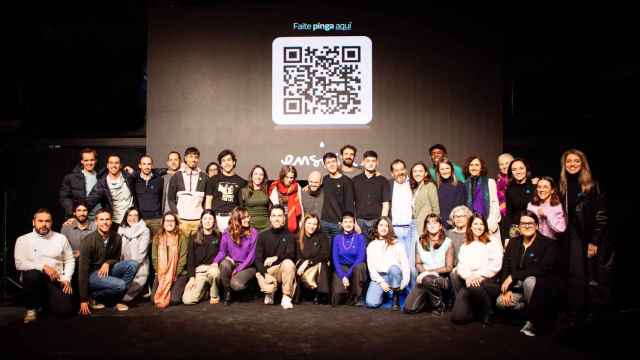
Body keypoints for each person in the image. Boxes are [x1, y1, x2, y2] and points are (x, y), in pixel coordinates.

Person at [559, 149, 613, 324]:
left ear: (583, 164)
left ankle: (594, 316)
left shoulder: (592, 185)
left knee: (593, 276)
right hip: (572, 236)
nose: (572, 164)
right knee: (576, 274)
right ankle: (576, 313)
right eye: (569, 161)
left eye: (576, 161)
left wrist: (594, 241)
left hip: (589, 236)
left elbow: (601, 215)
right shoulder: (564, 186)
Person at [496, 211, 560, 336]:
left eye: (530, 223)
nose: (526, 226)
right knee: (500, 302)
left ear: (536, 226)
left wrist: (514, 276)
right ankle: (529, 311)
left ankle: (535, 321)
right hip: (518, 289)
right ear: (519, 227)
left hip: (538, 289)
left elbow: (542, 269)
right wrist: (507, 290)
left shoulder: (548, 244)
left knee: (529, 281)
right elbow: (506, 267)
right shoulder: (513, 243)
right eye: (523, 223)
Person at [15, 209, 74, 323]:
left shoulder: (61, 238)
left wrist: (67, 278)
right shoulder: (23, 240)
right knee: (31, 274)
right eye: (40, 221)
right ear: (34, 222)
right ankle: (31, 309)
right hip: (35, 279)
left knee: (64, 311)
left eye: (47, 221)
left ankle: (44, 303)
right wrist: (43, 267)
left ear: (51, 223)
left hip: (56, 279)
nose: (44, 224)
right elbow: (19, 264)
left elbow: (70, 259)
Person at [78, 209, 139, 315]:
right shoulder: (87, 241)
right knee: (121, 285)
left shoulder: (117, 237)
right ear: (96, 222)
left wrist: (107, 263)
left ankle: (116, 300)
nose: (105, 222)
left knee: (133, 264)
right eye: (101, 219)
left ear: (111, 221)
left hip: (108, 270)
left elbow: (116, 258)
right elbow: (83, 271)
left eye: (107, 219)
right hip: (93, 275)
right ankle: (93, 296)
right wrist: (83, 299)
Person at [450, 214, 503, 327]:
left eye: (481, 224)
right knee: (457, 318)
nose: (478, 227)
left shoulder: (492, 241)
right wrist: (468, 277)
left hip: (489, 283)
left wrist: (479, 276)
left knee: (474, 285)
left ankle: (488, 311)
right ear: (470, 226)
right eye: (475, 224)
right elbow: (462, 266)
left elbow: (496, 265)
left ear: (485, 226)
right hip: (470, 283)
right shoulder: (465, 246)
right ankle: (477, 310)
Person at [404, 214, 454, 315]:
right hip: (424, 278)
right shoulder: (420, 241)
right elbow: (418, 263)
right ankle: (429, 299)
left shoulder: (448, 242)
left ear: (440, 226)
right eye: (429, 223)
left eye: (435, 222)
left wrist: (427, 273)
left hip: (441, 279)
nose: (432, 225)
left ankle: (439, 307)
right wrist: (425, 273)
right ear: (426, 226)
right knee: (409, 309)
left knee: (428, 279)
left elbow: (449, 267)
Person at [255, 205, 298, 309]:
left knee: (288, 263)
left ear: (284, 218)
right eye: (274, 216)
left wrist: (276, 257)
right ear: (270, 218)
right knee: (269, 288)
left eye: (280, 215)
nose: (277, 218)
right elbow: (258, 259)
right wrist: (265, 274)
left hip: (281, 269)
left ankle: (286, 297)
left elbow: (290, 254)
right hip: (267, 271)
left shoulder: (289, 235)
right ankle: (270, 293)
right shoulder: (262, 235)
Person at [214, 207, 258, 306]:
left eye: (248, 216)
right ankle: (227, 292)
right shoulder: (227, 232)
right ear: (236, 219)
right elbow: (222, 251)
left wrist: (238, 270)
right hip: (232, 263)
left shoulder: (253, 232)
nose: (248, 219)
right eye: (244, 218)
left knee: (236, 284)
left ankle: (250, 288)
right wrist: (215, 262)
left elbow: (251, 257)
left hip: (247, 266)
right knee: (224, 264)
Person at [365, 217, 410, 310]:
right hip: (379, 277)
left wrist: (404, 281)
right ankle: (384, 294)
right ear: (377, 227)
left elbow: (405, 264)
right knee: (371, 303)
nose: (383, 228)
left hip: (394, 276)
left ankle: (395, 297)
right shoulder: (371, 245)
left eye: (386, 225)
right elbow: (371, 268)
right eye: (381, 225)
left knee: (394, 268)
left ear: (389, 228)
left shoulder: (397, 244)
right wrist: (381, 283)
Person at [409, 161, 439, 285]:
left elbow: (435, 208)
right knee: (412, 259)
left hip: (424, 226)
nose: (417, 173)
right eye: (415, 171)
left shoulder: (430, 186)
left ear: (426, 173)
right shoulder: (414, 188)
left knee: (421, 259)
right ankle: (413, 290)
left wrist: (433, 228)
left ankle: (422, 289)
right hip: (413, 225)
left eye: (420, 171)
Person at [182, 209, 221, 305]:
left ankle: (214, 294)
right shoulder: (194, 238)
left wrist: (216, 264)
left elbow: (222, 253)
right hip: (199, 272)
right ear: (201, 221)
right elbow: (190, 260)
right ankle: (205, 290)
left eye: (210, 219)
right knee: (187, 300)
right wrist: (191, 278)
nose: (207, 221)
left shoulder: (219, 236)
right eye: (205, 219)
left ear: (214, 221)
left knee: (214, 273)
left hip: (213, 269)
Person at [151, 212, 189, 308]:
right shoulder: (157, 238)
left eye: (172, 221)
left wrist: (173, 275)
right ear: (163, 223)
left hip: (178, 273)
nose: (169, 223)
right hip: (161, 273)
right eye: (167, 221)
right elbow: (154, 258)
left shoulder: (182, 238)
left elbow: (183, 260)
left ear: (176, 223)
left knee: (174, 300)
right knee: (153, 299)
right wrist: (161, 273)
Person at [86, 154, 136, 226]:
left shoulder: (129, 177)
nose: (114, 165)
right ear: (107, 165)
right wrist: (75, 216)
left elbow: (145, 177)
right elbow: (90, 201)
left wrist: (133, 173)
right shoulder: (102, 183)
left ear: (120, 165)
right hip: (114, 222)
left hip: (131, 220)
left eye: (116, 163)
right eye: (111, 163)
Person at [167, 147, 208, 237]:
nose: (193, 159)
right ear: (185, 158)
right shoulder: (176, 176)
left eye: (196, 157)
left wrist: (204, 217)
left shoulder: (204, 177)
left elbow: (207, 200)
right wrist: (176, 215)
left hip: (198, 221)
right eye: (190, 156)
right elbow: (170, 199)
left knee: (197, 249)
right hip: (182, 221)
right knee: (183, 249)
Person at [205, 149, 248, 232]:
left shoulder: (242, 182)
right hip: (216, 219)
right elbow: (208, 201)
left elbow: (242, 205)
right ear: (220, 164)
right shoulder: (213, 180)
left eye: (229, 160)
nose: (226, 163)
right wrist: (209, 218)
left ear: (234, 162)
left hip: (232, 219)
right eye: (223, 161)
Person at [331, 212, 367, 306]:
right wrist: (343, 276)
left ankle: (358, 297)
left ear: (354, 224)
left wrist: (347, 275)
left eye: (350, 222)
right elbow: (335, 259)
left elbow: (360, 258)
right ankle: (348, 293)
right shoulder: (337, 238)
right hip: (342, 268)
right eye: (345, 221)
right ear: (341, 224)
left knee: (360, 266)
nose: (348, 224)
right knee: (337, 300)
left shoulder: (360, 238)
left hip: (355, 268)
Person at [352, 150, 390, 240]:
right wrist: (354, 223)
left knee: (377, 250)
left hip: (376, 220)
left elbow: (385, 205)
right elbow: (351, 204)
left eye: (373, 161)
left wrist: (381, 223)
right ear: (363, 162)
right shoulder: (355, 180)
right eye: (368, 161)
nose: (370, 163)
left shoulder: (383, 181)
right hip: (360, 221)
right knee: (361, 251)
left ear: (377, 163)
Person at [463, 156, 501, 244]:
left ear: (481, 167)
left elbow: (494, 203)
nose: (474, 167)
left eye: (477, 165)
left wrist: (492, 223)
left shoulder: (489, 182)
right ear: (468, 168)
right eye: (471, 165)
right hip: (472, 225)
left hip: (488, 223)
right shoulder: (464, 184)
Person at [296, 213, 331, 304]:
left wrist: (309, 262)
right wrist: (303, 264)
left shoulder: (322, 236)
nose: (312, 226)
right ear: (304, 224)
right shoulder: (297, 237)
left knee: (323, 264)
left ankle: (322, 296)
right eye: (309, 223)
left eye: (315, 224)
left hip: (317, 267)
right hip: (302, 270)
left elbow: (325, 255)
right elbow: (296, 257)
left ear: (318, 225)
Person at [59, 147, 103, 220]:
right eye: (86, 160)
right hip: (79, 217)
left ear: (96, 160)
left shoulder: (102, 176)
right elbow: (64, 197)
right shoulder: (71, 177)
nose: (89, 163)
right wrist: (73, 212)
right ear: (82, 161)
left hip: (97, 218)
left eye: (92, 160)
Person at [117, 207, 150, 302]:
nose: (132, 218)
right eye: (130, 215)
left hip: (139, 263)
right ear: (126, 217)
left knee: (136, 282)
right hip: (123, 262)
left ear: (139, 217)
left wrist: (133, 266)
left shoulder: (145, 230)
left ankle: (125, 300)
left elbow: (142, 252)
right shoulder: (121, 229)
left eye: (135, 215)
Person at [320, 152, 355, 240]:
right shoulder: (325, 179)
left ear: (338, 163)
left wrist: (345, 222)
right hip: (324, 222)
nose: (331, 165)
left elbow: (349, 205)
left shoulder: (347, 181)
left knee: (338, 252)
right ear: (324, 166)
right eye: (328, 163)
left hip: (338, 224)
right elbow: (315, 186)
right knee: (326, 252)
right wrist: (308, 186)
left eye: (333, 161)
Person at [129, 155, 165, 236]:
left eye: (149, 164)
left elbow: (161, 197)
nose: (146, 166)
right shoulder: (134, 180)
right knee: (140, 245)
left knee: (156, 244)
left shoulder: (159, 180)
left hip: (156, 220)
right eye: (144, 164)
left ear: (152, 166)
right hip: (140, 219)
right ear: (140, 165)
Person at [504, 158, 535, 243]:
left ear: (526, 169)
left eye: (521, 168)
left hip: (532, 228)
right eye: (514, 169)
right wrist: (506, 237)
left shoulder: (535, 186)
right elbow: (508, 214)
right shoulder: (509, 189)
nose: (518, 172)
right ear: (511, 172)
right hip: (516, 230)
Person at [269, 165, 304, 234]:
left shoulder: (297, 187)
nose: (289, 180)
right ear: (282, 176)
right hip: (278, 219)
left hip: (293, 219)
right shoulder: (275, 186)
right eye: (287, 177)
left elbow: (300, 204)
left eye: (291, 177)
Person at [435, 158, 467, 230]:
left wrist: (453, 222)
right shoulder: (436, 187)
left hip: (456, 225)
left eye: (447, 168)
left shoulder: (460, 185)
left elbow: (462, 207)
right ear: (438, 171)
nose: (445, 171)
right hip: (440, 226)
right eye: (442, 169)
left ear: (451, 170)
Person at [240, 165, 271, 231]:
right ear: (251, 176)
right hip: (250, 227)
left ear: (264, 177)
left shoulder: (268, 190)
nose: (258, 177)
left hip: (267, 226)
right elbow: (241, 210)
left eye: (261, 174)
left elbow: (272, 208)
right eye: (255, 174)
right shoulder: (244, 191)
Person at [496, 153, 514, 219]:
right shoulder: (498, 181)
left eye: (507, 163)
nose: (504, 166)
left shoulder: (518, 179)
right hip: (501, 216)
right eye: (501, 164)